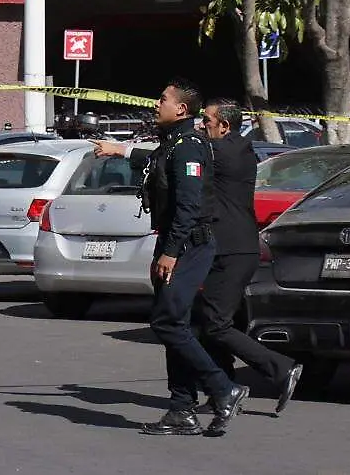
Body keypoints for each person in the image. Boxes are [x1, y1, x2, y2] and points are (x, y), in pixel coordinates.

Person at [91, 79, 247, 437]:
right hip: (175, 244)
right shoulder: (175, 142)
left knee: (167, 323)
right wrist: (120, 150)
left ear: (181, 109)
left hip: (188, 245)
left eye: (162, 99)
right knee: (176, 324)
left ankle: (224, 389)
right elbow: (158, 161)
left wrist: (172, 253)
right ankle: (181, 409)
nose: (155, 104)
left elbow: (190, 206)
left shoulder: (190, 145)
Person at [194, 100, 303, 414]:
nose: (202, 125)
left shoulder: (225, 153)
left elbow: (183, 155)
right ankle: (223, 392)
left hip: (233, 250)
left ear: (224, 126)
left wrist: (127, 151)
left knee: (216, 324)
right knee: (209, 323)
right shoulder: (235, 148)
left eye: (207, 120)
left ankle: (280, 369)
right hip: (226, 247)